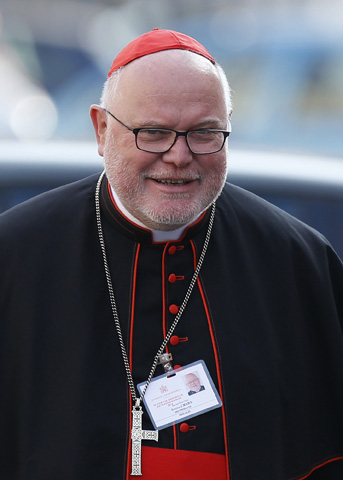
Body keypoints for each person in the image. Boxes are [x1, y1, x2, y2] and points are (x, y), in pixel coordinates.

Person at [0, 28, 342, 480]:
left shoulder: (299, 261)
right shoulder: (15, 255)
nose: (179, 156)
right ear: (102, 130)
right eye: (154, 132)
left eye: (204, 133)